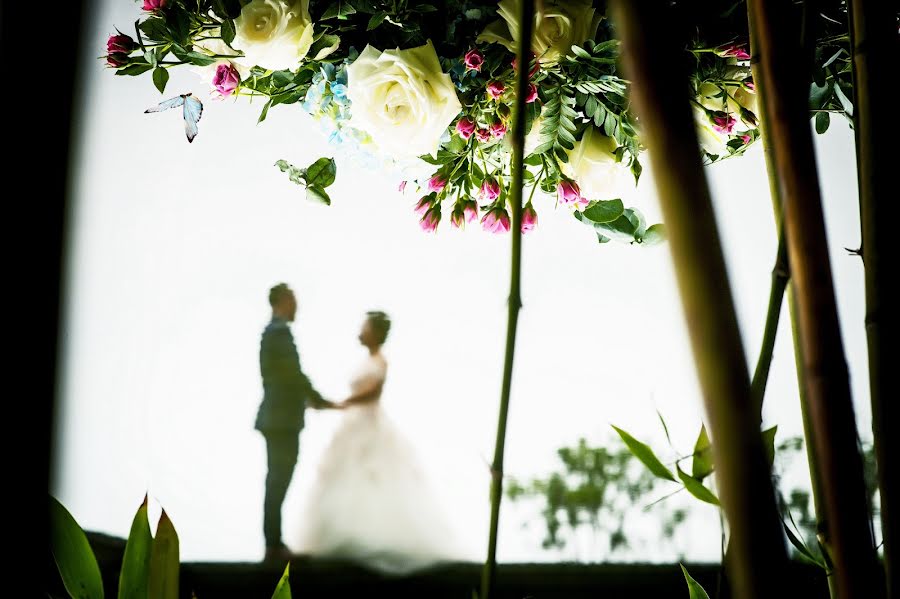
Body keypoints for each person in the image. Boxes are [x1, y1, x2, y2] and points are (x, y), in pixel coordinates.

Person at [290, 310, 469, 574]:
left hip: (367, 421)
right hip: (353, 421)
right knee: (347, 478)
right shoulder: (367, 361)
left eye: (365, 326)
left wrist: (341, 403)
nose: (360, 331)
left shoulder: (381, 361)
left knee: (372, 477)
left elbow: (372, 391)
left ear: (374, 331)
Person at [256, 283, 335, 562]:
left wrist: (310, 399)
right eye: (294, 300)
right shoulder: (278, 333)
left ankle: (274, 544)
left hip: (279, 418)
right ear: (282, 301)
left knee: (277, 480)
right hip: (281, 420)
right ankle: (274, 546)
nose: (297, 306)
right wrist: (317, 399)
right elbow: (292, 374)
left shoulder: (274, 333)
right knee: (278, 480)